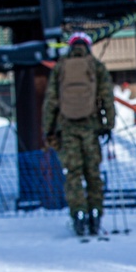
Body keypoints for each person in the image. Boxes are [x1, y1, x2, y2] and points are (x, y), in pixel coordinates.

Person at [43, 31, 115, 237]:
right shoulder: (96, 67)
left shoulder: (60, 68)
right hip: (91, 127)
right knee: (93, 173)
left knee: (73, 174)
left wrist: (48, 129)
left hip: (66, 127)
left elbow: (51, 101)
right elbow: (107, 97)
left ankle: (78, 215)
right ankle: (95, 214)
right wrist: (108, 124)